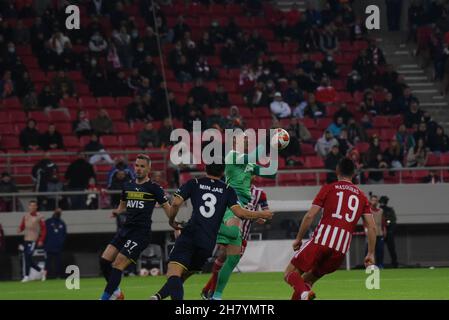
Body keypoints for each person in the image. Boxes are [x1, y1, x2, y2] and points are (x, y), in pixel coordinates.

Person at [150, 164, 273, 300]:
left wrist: (172, 220)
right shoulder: (228, 190)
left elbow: (175, 203)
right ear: (222, 172)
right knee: (182, 276)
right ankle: (157, 297)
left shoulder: (194, 183)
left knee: (174, 273)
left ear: (205, 169)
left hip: (191, 233)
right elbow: (240, 213)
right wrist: (262, 214)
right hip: (208, 242)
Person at [284, 158, 376, 300]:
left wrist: (299, 238)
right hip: (340, 250)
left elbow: (310, 216)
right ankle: (304, 293)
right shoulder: (362, 197)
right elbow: (372, 226)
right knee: (307, 282)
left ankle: (304, 293)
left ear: (337, 171)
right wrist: (370, 253)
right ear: (354, 173)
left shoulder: (329, 188)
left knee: (289, 273)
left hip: (322, 241)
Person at [206, 133, 277, 300]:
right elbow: (254, 155)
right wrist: (269, 140)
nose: (247, 141)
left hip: (241, 205)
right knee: (231, 235)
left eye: (248, 139)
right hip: (231, 202)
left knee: (233, 258)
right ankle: (207, 228)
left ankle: (216, 296)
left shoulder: (249, 163)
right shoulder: (232, 155)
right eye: (243, 139)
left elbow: (272, 172)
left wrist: (274, 150)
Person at [99, 154, 171, 300]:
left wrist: (176, 222)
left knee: (118, 263)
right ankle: (117, 293)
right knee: (104, 260)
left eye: (142, 166)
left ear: (149, 168)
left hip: (140, 233)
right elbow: (122, 206)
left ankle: (104, 298)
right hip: (125, 229)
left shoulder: (154, 188)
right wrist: (117, 211)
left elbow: (168, 209)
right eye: (137, 165)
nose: (138, 169)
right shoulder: (128, 185)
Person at [201, 182, 270, 299]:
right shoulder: (231, 188)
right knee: (222, 257)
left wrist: (262, 217)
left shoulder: (260, 193)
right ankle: (212, 292)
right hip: (229, 228)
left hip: (243, 235)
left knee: (226, 261)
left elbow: (266, 211)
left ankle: (207, 289)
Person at [18, 200, 47, 282]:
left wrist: (41, 239)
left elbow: (44, 229)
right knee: (28, 259)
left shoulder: (40, 217)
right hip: (26, 239)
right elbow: (22, 226)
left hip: (33, 240)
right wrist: (20, 229)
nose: (32, 207)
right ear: (29, 207)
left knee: (28, 256)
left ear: (36, 207)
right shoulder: (25, 216)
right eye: (31, 206)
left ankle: (26, 276)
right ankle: (42, 271)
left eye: (34, 206)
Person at [44, 208, 67, 278]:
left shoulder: (62, 223)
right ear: (54, 212)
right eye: (57, 212)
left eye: (60, 212)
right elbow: (44, 232)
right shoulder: (48, 222)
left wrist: (61, 243)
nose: (58, 213)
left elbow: (64, 234)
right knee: (48, 262)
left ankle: (58, 275)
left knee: (58, 262)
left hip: (58, 247)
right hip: (49, 246)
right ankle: (45, 275)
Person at [379, 196, 398, 268]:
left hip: (389, 232)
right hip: (380, 232)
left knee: (392, 249)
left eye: (384, 201)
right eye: (381, 201)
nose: (382, 203)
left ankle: (394, 263)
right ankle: (379, 264)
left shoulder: (390, 210)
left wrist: (390, 231)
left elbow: (393, 221)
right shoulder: (378, 210)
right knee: (379, 249)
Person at [367, 195, 385, 268]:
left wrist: (384, 229)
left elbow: (383, 221)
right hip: (371, 233)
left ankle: (380, 264)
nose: (374, 202)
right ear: (370, 201)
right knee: (370, 250)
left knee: (380, 250)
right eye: (373, 200)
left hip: (379, 233)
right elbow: (366, 222)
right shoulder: (368, 210)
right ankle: (369, 265)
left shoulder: (381, 210)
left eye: (376, 200)